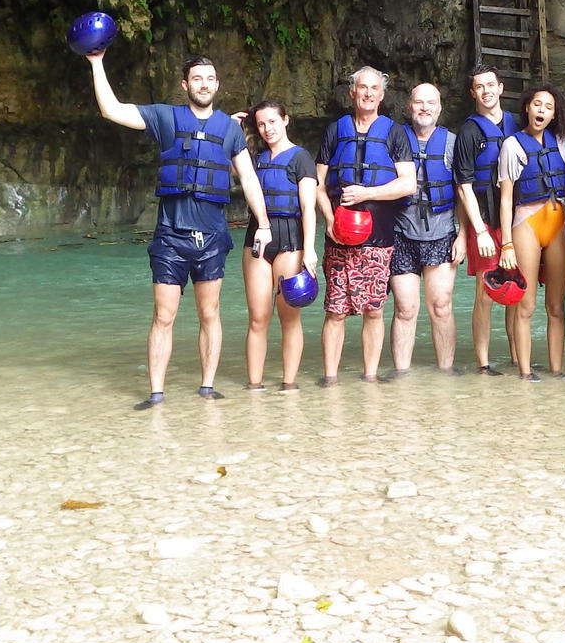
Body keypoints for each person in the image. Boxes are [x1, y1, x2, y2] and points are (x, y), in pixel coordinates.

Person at [88, 52, 271, 409]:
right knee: (163, 315)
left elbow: (248, 178)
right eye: (197, 79)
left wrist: (263, 224)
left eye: (210, 79)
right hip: (171, 236)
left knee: (209, 313)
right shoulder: (165, 117)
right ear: (185, 85)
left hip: (213, 236)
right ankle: (156, 393)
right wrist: (96, 62)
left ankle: (207, 387)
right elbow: (111, 109)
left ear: (217, 85)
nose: (205, 84)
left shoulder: (230, 129)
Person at [315, 67, 418, 384]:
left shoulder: (394, 132)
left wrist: (368, 193)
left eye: (374, 88)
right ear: (352, 92)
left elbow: (408, 184)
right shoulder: (335, 130)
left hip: (378, 237)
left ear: (382, 95)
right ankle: (330, 378)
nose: (368, 93)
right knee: (335, 310)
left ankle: (369, 377)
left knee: (374, 310)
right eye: (363, 88)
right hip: (338, 236)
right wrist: (329, 221)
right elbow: (317, 185)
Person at [240, 101, 319, 392]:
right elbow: (234, 167)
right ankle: (254, 385)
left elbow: (309, 209)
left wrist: (309, 249)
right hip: (258, 240)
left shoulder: (301, 158)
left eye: (272, 121)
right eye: (261, 124)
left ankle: (288, 384)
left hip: (290, 241)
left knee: (289, 315)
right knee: (258, 317)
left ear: (285, 120)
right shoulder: (255, 159)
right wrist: (233, 131)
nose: (267, 129)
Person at [497, 86, 565, 381]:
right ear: (527, 108)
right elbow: (505, 198)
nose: (542, 110)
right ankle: (526, 372)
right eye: (537, 104)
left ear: (555, 114)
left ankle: (556, 370)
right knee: (525, 304)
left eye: (548, 107)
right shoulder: (512, 146)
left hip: (558, 224)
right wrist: (506, 244)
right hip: (526, 224)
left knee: (556, 305)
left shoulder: (564, 143)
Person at [388, 83, 465, 375]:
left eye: (430, 103)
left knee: (441, 306)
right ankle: (401, 376)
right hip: (401, 233)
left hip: (442, 232)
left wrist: (464, 235)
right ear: (409, 106)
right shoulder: (395, 139)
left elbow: (463, 192)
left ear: (440, 108)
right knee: (405, 309)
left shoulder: (452, 143)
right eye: (419, 102)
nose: (424, 108)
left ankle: (446, 373)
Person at [454, 65, 520, 375]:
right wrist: (477, 229)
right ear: (473, 93)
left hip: (514, 217)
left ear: (501, 87)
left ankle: (516, 356)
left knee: (515, 285)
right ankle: (483, 362)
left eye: (490, 85)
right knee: (486, 291)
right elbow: (463, 184)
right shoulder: (468, 131)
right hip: (485, 219)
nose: (486, 91)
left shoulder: (515, 124)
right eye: (479, 87)